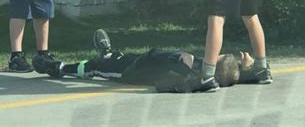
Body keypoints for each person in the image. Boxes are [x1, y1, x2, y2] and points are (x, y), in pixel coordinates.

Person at [33, 29, 243, 93]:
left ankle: (57, 68)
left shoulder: (190, 75)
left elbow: (163, 84)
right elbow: (231, 75)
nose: (214, 53)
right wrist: (245, 65)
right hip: (139, 61)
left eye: (218, 56)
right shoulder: (199, 65)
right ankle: (108, 54)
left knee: (95, 68)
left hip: (130, 72)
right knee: (109, 59)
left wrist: (186, 78)